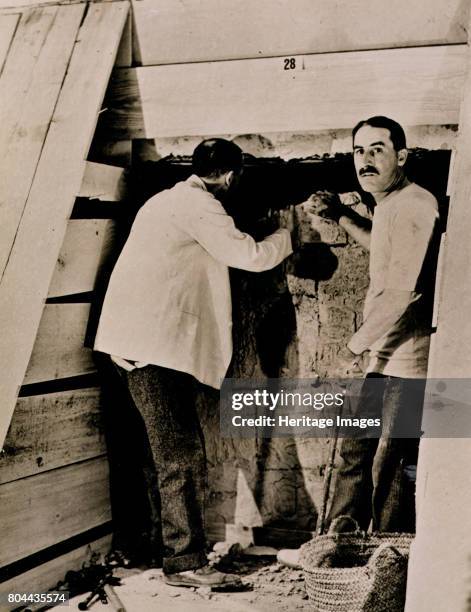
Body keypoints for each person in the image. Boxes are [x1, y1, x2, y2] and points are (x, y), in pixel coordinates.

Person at [94, 138, 293, 588]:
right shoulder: (199, 206)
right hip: (150, 350)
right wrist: (285, 235)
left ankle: (165, 551)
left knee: (163, 457)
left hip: (144, 346)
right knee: (181, 457)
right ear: (230, 176)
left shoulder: (165, 202)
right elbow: (249, 256)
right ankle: (184, 564)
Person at [278, 115, 440, 567]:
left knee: (390, 468)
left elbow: (404, 288)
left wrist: (354, 346)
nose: (365, 161)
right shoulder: (391, 204)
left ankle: (387, 563)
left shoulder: (415, 204)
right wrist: (342, 215)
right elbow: (382, 248)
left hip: (408, 363)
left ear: (401, 156)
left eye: (377, 150)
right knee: (352, 453)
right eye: (359, 151)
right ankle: (334, 551)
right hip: (381, 358)